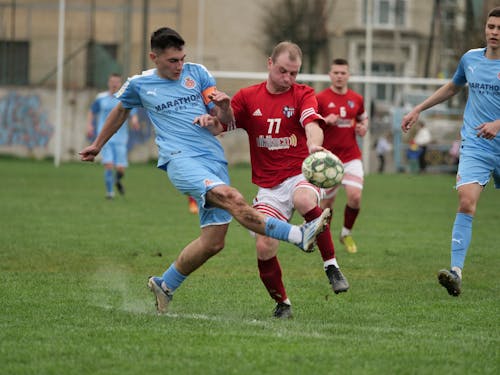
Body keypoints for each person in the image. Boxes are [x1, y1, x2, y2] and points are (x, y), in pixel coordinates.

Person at [79, 27, 331, 314]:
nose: (179, 66)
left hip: (213, 161)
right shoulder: (139, 84)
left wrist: (223, 107)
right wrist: (98, 144)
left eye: (182, 59)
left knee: (213, 243)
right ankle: (300, 235)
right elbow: (120, 111)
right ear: (154, 57)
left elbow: (221, 120)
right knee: (233, 197)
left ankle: (165, 284)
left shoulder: (197, 74)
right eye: (173, 60)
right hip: (179, 159)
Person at [216, 42, 349, 318]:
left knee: (303, 198)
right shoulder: (248, 97)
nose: (288, 79)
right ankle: (283, 304)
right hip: (268, 186)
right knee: (264, 245)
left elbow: (312, 124)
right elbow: (222, 125)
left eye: (294, 73)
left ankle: (332, 267)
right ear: (269, 63)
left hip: (299, 172)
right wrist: (210, 119)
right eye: (283, 71)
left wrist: (314, 147)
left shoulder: (303, 94)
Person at [401, 7, 500, 297]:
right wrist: (419, 108)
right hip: (476, 145)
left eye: (499, 28)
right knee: (466, 201)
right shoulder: (470, 59)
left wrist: (497, 123)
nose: (494, 32)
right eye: (491, 26)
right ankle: (456, 272)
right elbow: (453, 87)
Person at [316, 58, 369, 254]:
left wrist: (364, 127)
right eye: (336, 73)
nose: (339, 76)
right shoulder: (320, 98)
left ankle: (346, 233)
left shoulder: (356, 98)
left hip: (351, 157)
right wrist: (324, 120)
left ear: (348, 75)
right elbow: (310, 124)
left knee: (355, 198)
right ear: (330, 75)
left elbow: (363, 118)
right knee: (326, 205)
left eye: (343, 73)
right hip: (328, 159)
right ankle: (325, 240)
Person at [87, 73, 139, 199]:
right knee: (109, 165)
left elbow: (133, 112)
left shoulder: (124, 97)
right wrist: (89, 125)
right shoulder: (101, 98)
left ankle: (117, 181)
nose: (114, 84)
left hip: (121, 139)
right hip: (105, 138)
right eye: (112, 81)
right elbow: (92, 111)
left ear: (120, 84)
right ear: (108, 83)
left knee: (120, 168)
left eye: (117, 82)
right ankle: (109, 193)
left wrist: (135, 121)